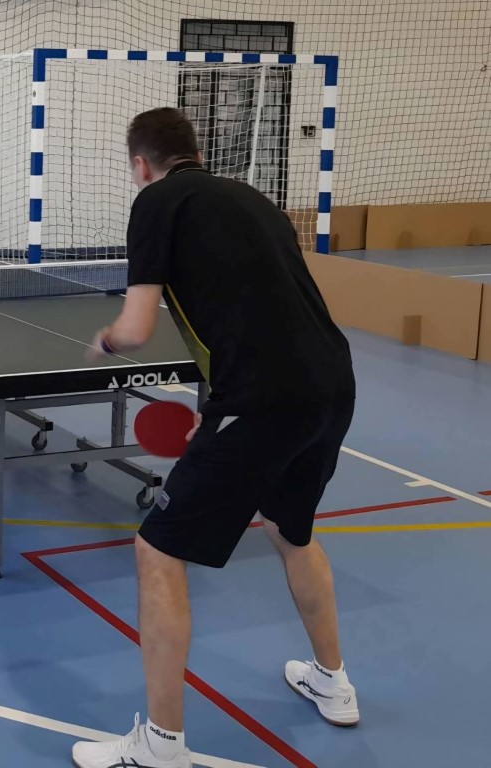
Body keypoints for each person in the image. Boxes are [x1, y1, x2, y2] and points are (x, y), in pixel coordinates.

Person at [73, 107, 359, 768]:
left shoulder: (155, 203)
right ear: (195, 152)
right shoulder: (253, 200)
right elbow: (263, 307)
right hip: (332, 384)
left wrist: (105, 341)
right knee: (291, 531)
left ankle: (160, 745)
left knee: (156, 550)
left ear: (141, 164)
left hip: (263, 400)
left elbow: (137, 328)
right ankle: (332, 681)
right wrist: (218, 402)